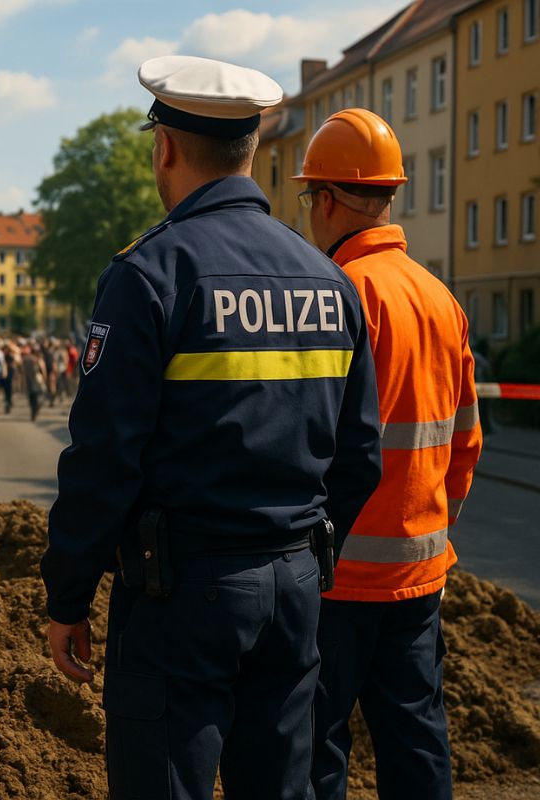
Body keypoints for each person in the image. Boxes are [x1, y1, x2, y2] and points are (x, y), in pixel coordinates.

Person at [40, 55, 383, 800]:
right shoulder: (329, 281)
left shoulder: (150, 274)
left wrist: (68, 597)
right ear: (252, 150)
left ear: (163, 146)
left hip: (180, 594)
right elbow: (360, 459)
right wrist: (308, 556)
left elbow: (104, 460)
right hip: (296, 586)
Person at [293, 109, 483, 800]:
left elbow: (305, 442)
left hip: (337, 577)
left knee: (316, 745)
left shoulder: (335, 294)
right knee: (416, 736)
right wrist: (429, 524)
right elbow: (466, 438)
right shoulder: (440, 298)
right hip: (420, 570)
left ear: (331, 200)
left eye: (311, 195)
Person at [21, 345, 46, 422]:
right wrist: (44, 378)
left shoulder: (25, 359)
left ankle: (33, 412)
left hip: (29, 380)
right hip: (37, 380)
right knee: (39, 396)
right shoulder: (38, 360)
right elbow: (43, 370)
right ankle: (36, 410)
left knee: (31, 398)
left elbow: (22, 371)